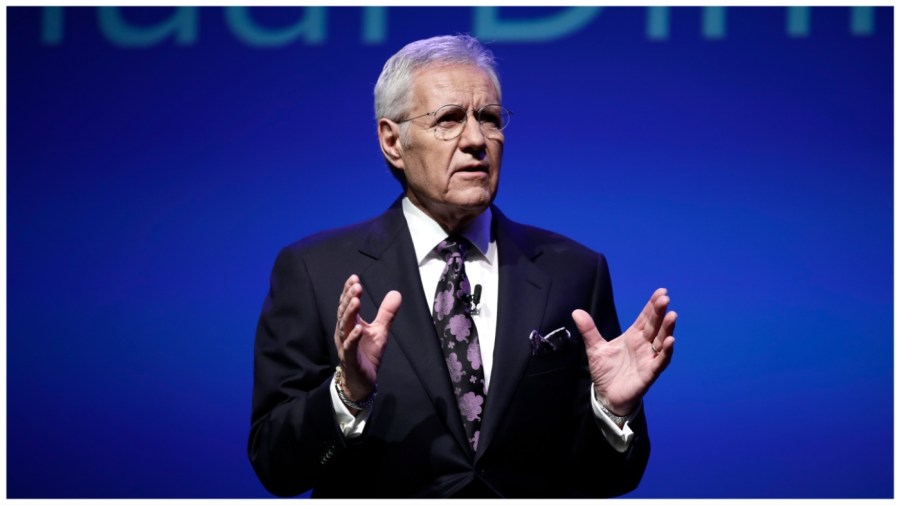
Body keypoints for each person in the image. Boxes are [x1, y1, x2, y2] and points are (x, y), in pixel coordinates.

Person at [248, 34, 676, 498]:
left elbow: (609, 480)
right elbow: (277, 466)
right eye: (449, 120)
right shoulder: (315, 271)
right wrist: (346, 396)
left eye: (489, 119)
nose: (476, 140)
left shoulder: (574, 271)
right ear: (393, 141)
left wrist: (612, 411)